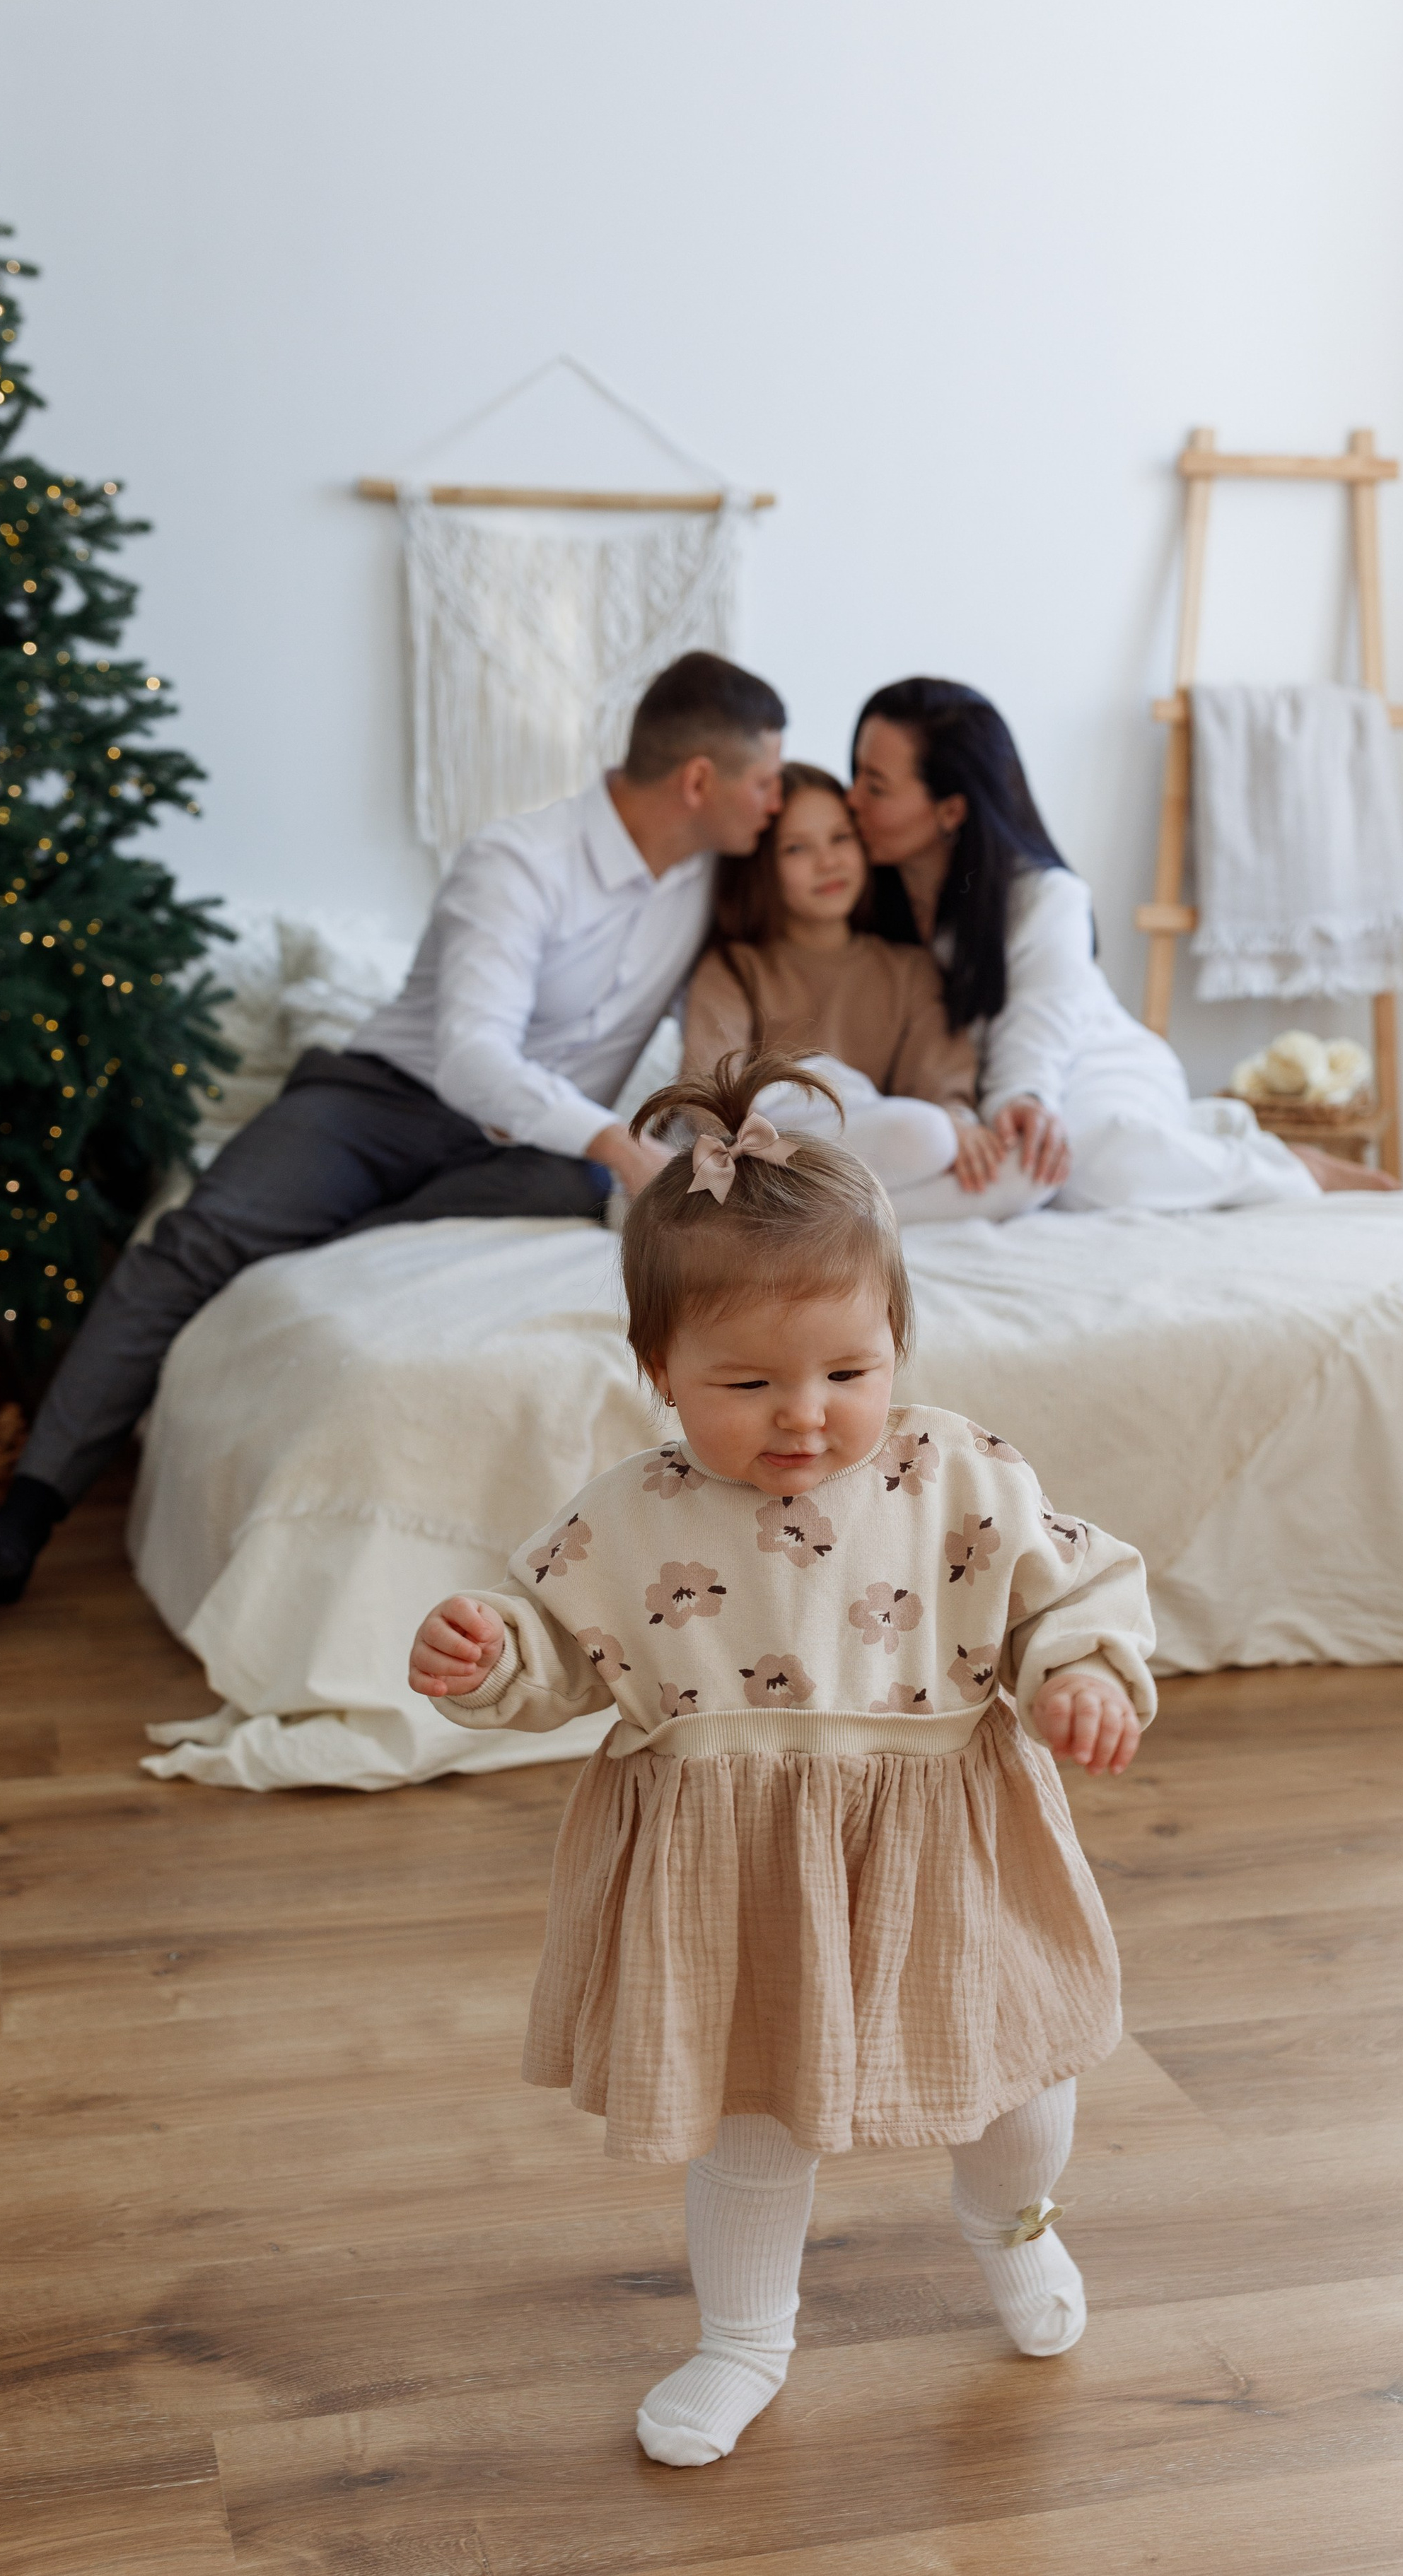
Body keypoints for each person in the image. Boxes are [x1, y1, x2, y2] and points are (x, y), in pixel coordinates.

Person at [410, 1049, 1155, 2469]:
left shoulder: (959, 1474)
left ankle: (1009, 2229)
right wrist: (486, 1651)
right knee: (749, 2123)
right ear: (658, 1371)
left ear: (897, 1342)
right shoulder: (627, 1518)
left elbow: (1075, 1585)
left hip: (949, 1854)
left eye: (846, 1371)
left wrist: (1082, 1676)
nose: (802, 1414)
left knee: (1016, 2101)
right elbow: (554, 1651)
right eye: (745, 1381)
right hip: (739, 1877)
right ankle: (742, 2337)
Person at [0, 652, 787, 1607]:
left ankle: (327, 1241)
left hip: (529, 1158)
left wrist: (726, 1115)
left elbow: (706, 1036)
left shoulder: (710, 884)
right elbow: (474, 1059)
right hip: (381, 1103)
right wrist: (616, 1141)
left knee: (572, 1191)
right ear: (698, 781)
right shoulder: (517, 862)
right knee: (195, 1240)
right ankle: (28, 1509)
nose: (774, 802)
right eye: (764, 779)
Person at [846, 677, 1398, 1210]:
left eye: (876, 786)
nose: (852, 800)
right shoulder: (858, 892)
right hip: (975, 1094)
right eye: (855, 776)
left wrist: (1021, 1100)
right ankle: (1201, 1129)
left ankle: (1297, 1170)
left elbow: (1034, 1029)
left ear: (951, 810)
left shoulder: (1045, 898)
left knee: (1080, 1171)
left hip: (1088, 1066)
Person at [681, 765, 1054, 1222]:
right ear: (763, 865)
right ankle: (819, 1213)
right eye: (798, 847)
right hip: (771, 1152)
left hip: (877, 1147)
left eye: (841, 838)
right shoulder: (734, 966)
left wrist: (957, 1119)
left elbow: (942, 1084)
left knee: (1033, 1168)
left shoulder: (909, 969)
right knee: (845, 1098)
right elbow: (708, 1096)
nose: (828, 862)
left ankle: (827, 1222)